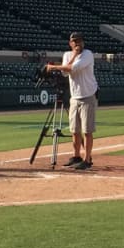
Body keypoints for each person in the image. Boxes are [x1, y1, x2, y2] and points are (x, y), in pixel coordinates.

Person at [46, 32, 98, 170]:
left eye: (79, 41)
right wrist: (73, 55)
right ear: (70, 43)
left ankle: (87, 159)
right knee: (74, 130)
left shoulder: (87, 54)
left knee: (87, 131)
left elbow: (72, 68)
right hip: (74, 96)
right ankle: (76, 156)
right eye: (74, 41)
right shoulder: (67, 55)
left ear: (83, 42)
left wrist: (53, 67)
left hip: (88, 95)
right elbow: (65, 72)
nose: (77, 43)